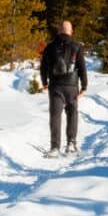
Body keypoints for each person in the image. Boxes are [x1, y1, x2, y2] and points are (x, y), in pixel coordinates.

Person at [40, 20, 88, 157]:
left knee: (55, 116)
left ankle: (55, 147)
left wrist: (44, 82)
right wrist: (84, 86)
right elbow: (82, 68)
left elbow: (43, 67)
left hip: (55, 86)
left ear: (59, 31)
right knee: (72, 113)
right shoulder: (77, 47)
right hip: (72, 86)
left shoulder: (49, 47)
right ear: (71, 32)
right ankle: (71, 144)